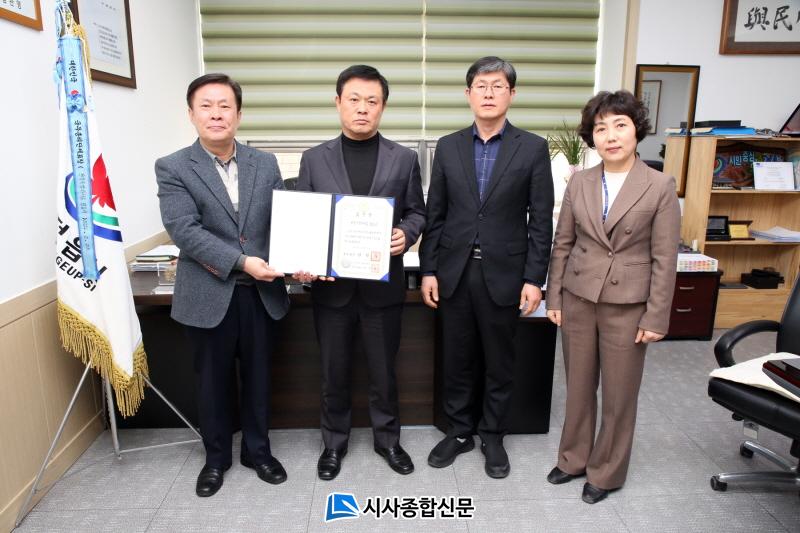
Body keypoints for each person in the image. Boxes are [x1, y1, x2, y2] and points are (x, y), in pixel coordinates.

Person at [419, 56, 554, 478]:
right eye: (481, 85)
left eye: (498, 86)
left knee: (499, 360)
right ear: (468, 94)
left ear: (512, 94)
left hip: (505, 273)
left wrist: (534, 278)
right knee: (457, 358)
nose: (489, 93)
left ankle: (493, 434)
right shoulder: (448, 146)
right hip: (455, 271)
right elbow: (436, 214)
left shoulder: (532, 148)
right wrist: (428, 270)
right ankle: (460, 431)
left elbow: (541, 219)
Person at [156, 73, 289, 497]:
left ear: (238, 114)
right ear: (191, 114)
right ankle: (215, 459)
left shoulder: (264, 163)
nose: (216, 114)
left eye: (225, 106)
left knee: (258, 378)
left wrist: (298, 260)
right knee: (211, 383)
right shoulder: (173, 167)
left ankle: (258, 452)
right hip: (208, 292)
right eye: (206, 106)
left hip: (261, 294)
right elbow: (185, 230)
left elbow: (282, 222)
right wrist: (242, 262)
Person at [545, 90, 681, 504]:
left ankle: (606, 471)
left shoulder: (659, 185)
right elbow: (563, 244)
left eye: (620, 125)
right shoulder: (580, 182)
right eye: (601, 128)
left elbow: (665, 257)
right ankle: (573, 459)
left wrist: (656, 316)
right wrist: (555, 297)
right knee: (578, 386)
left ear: (636, 130)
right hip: (579, 297)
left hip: (629, 304)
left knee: (619, 394)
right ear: (592, 137)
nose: (611, 136)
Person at [295, 65, 426, 480]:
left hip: (381, 289)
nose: (362, 108)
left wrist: (406, 234)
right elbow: (304, 218)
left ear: (383, 107)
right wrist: (304, 259)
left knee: (384, 372)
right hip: (331, 291)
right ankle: (333, 444)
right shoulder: (314, 159)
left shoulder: (404, 158)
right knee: (333, 372)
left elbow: (417, 211)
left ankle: (388, 441)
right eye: (354, 99)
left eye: (372, 101)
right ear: (338, 103)